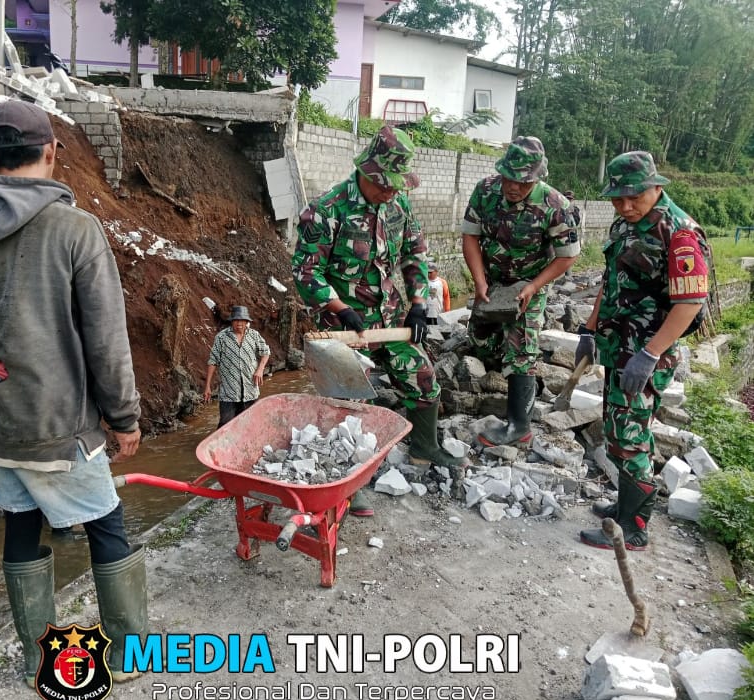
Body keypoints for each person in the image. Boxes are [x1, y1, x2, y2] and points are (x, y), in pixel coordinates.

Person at [0, 100, 146, 687]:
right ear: (52, 153)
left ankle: (39, 657)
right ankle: (126, 656)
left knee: (21, 523)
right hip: (57, 424)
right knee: (106, 524)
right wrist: (124, 417)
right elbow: (106, 339)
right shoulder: (76, 230)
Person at [293, 125, 465, 518]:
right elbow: (306, 272)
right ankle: (350, 481)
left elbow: (415, 254)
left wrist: (418, 303)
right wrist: (340, 307)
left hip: (390, 318)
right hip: (344, 326)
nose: (390, 192)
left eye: (396, 186)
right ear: (367, 172)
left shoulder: (398, 205)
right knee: (349, 404)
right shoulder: (328, 209)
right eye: (385, 185)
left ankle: (425, 447)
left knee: (423, 379)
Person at [578, 151, 709, 551]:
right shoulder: (625, 223)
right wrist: (589, 328)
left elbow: (690, 304)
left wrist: (650, 354)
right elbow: (612, 278)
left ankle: (633, 528)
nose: (625, 206)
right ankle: (625, 504)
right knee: (618, 428)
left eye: (633, 197)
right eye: (617, 199)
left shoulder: (679, 234)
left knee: (630, 435)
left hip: (647, 352)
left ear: (655, 187)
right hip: (618, 345)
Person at [461, 136, 580, 447]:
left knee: (522, 346)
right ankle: (501, 373)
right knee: (480, 337)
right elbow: (471, 236)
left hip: (530, 282)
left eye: (523, 182)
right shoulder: (486, 191)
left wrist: (534, 286)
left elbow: (568, 255)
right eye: (509, 179)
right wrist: (479, 281)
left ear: (537, 177)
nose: (513, 187)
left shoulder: (556, 206)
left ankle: (519, 425)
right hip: (492, 281)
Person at [204, 305, 271, 428]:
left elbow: (265, 352)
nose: (239, 323)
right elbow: (213, 361)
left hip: (250, 390)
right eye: (236, 320)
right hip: (229, 393)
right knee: (225, 426)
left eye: (242, 320)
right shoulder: (221, 337)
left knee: (250, 425)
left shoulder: (254, 335)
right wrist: (207, 386)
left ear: (246, 322)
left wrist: (260, 369)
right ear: (232, 321)